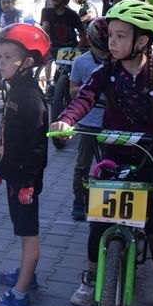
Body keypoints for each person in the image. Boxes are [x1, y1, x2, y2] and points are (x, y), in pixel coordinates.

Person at [54, 0, 153, 306]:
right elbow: (84, 98)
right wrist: (65, 120)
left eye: (121, 36)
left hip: (150, 156)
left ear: (142, 41)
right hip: (113, 156)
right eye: (111, 35)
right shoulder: (106, 71)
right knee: (98, 223)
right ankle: (91, 276)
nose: (112, 42)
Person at [0, 23, 50, 306]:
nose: (1, 63)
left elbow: (37, 148)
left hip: (25, 181)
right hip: (14, 177)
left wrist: (27, 184)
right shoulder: (15, 91)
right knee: (21, 230)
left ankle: (20, 294)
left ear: (28, 62)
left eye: (7, 57)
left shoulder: (31, 99)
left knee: (29, 235)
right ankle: (28, 276)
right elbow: (7, 136)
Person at [68, 19, 110, 221]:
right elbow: (72, 89)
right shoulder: (81, 62)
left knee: (108, 163)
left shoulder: (115, 61)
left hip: (109, 123)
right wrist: (91, 90)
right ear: (91, 43)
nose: (105, 54)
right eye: (101, 50)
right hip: (87, 122)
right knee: (82, 164)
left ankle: (103, 201)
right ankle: (79, 198)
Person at [40, 0, 87, 82]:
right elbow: (45, 27)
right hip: (54, 47)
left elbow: (84, 34)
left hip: (70, 48)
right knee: (45, 60)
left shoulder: (72, 14)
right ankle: (48, 84)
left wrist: (78, 48)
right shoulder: (46, 12)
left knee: (66, 75)